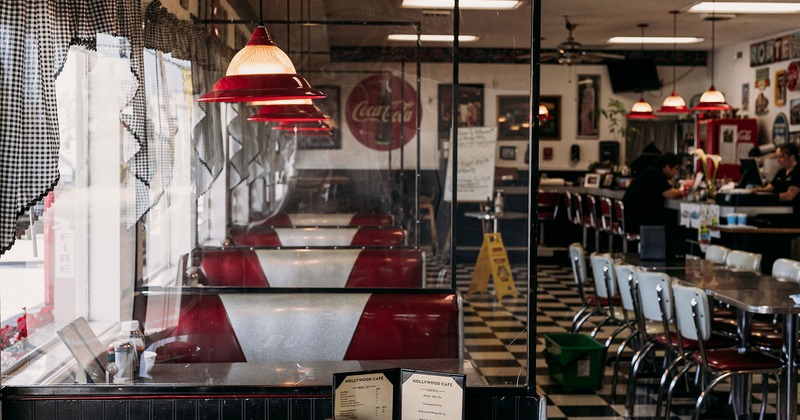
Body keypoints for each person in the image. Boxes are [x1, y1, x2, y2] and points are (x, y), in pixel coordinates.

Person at [622, 153, 685, 234]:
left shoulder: (649, 171)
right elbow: (671, 194)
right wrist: (682, 192)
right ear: (667, 167)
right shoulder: (656, 174)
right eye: (675, 169)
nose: (676, 172)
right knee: (674, 224)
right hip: (638, 220)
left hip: (629, 218)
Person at [750, 143, 800, 213]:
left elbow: (790, 196)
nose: (778, 160)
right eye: (777, 157)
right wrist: (755, 190)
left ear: (792, 157)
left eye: (781, 157)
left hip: (792, 211)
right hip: (778, 208)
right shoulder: (781, 172)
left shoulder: (797, 171)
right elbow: (768, 188)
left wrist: (771, 198)